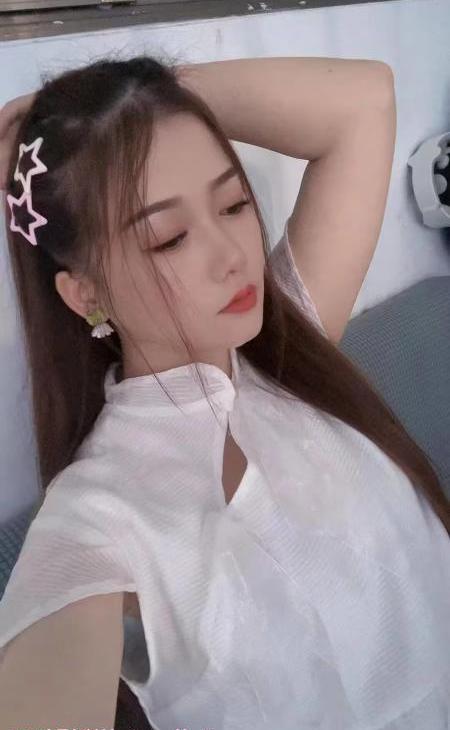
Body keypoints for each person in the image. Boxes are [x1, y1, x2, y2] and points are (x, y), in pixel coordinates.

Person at [0, 53, 448, 729]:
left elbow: (365, 99)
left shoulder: (287, 355)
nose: (233, 254)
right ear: (85, 294)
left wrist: (138, 100)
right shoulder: (97, 517)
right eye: (170, 237)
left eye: (234, 203)